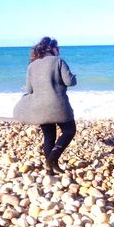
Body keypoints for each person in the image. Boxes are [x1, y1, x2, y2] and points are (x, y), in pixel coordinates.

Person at [14, 37, 77, 175]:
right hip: (58, 106)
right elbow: (69, 81)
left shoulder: (32, 66)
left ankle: (49, 170)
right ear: (51, 48)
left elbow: (29, 90)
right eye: (57, 47)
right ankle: (52, 159)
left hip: (39, 107)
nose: (59, 50)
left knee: (49, 137)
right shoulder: (58, 61)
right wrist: (74, 77)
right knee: (69, 130)